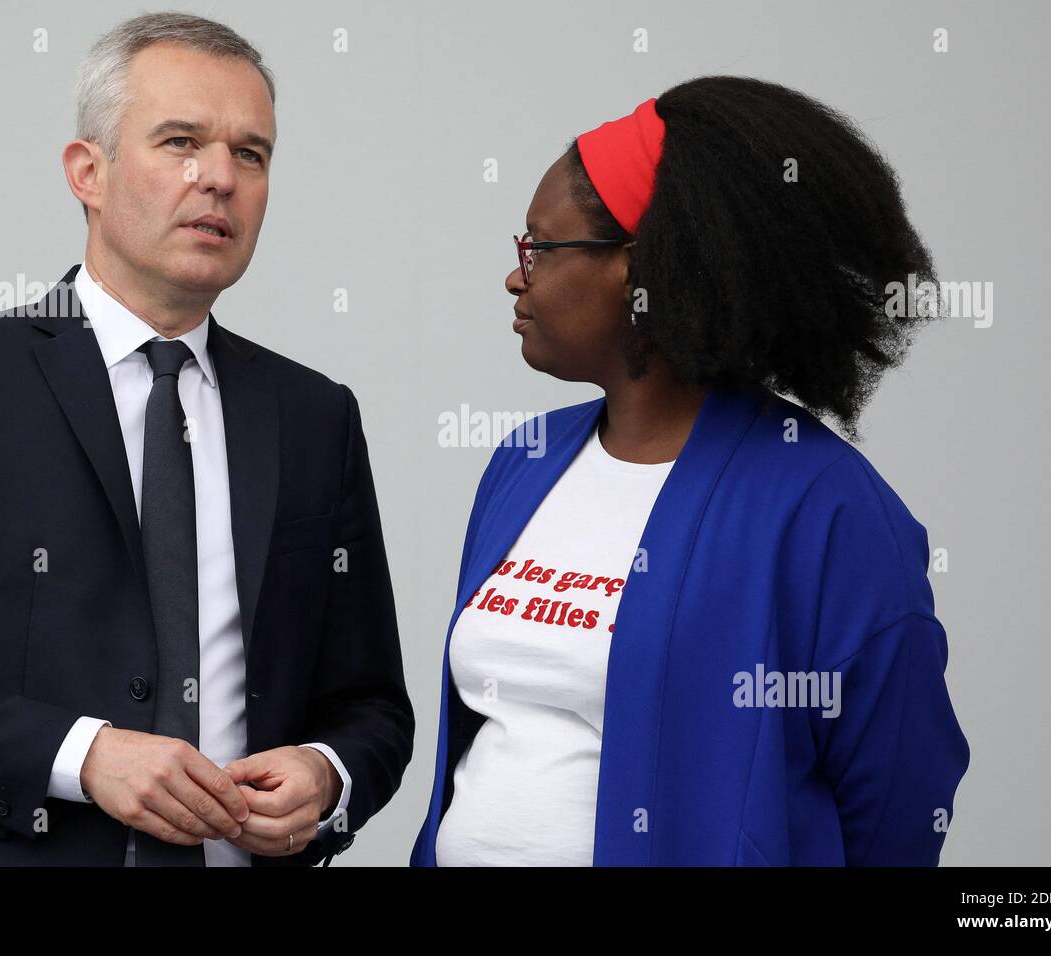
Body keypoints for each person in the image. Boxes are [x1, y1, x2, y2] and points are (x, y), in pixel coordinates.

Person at [0, 12, 412, 866]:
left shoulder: (314, 414)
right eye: (181, 141)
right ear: (89, 172)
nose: (218, 177)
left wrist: (327, 775)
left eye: (249, 154)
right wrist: (81, 755)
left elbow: (370, 705)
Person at [412, 77, 969, 866]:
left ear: (643, 271)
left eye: (540, 246)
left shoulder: (826, 509)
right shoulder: (524, 462)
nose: (517, 274)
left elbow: (899, 807)